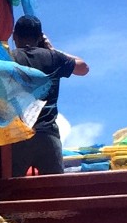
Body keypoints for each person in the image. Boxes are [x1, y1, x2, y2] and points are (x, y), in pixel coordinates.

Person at [6, 14, 88, 175]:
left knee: (11, 187)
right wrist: (51, 49)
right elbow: (83, 68)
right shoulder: (52, 57)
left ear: (14, 36)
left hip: (17, 138)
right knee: (55, 188)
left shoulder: (7, 58)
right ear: (39, 37)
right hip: (48, 136)